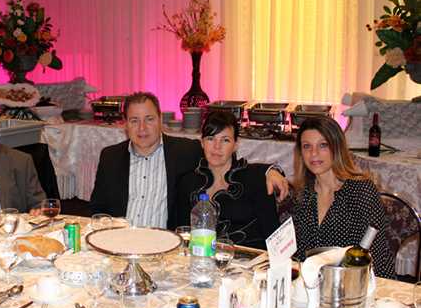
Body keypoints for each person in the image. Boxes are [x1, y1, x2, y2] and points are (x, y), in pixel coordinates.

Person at [90, 92, 289, 230]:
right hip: (120, 243)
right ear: (125, 124)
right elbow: (97, 211)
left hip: (164, 247)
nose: (142, 128)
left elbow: (226, 159)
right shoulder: (110, 157)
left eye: (149, 119)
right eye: (134, 120)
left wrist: (270, 170)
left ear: (160, 119)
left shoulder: (185, 151)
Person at [291, 116, 396, 278]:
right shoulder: (303, 193)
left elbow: (377, 258)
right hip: (312, 283)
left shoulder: (360, 191)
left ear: (337, 148)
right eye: (307, 146)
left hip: (357, 284)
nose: (313, 153)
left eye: (323, 145)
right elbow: (299, 255)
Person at [177, 111, 281, 249]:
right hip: (199, 258)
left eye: (225, 140)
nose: (217, 146)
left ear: (235, 144)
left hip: (249, 260)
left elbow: (274, 237)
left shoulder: (257, 180)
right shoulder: (187, 182)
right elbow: (179, 233)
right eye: (210, 138)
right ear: (202, 142)